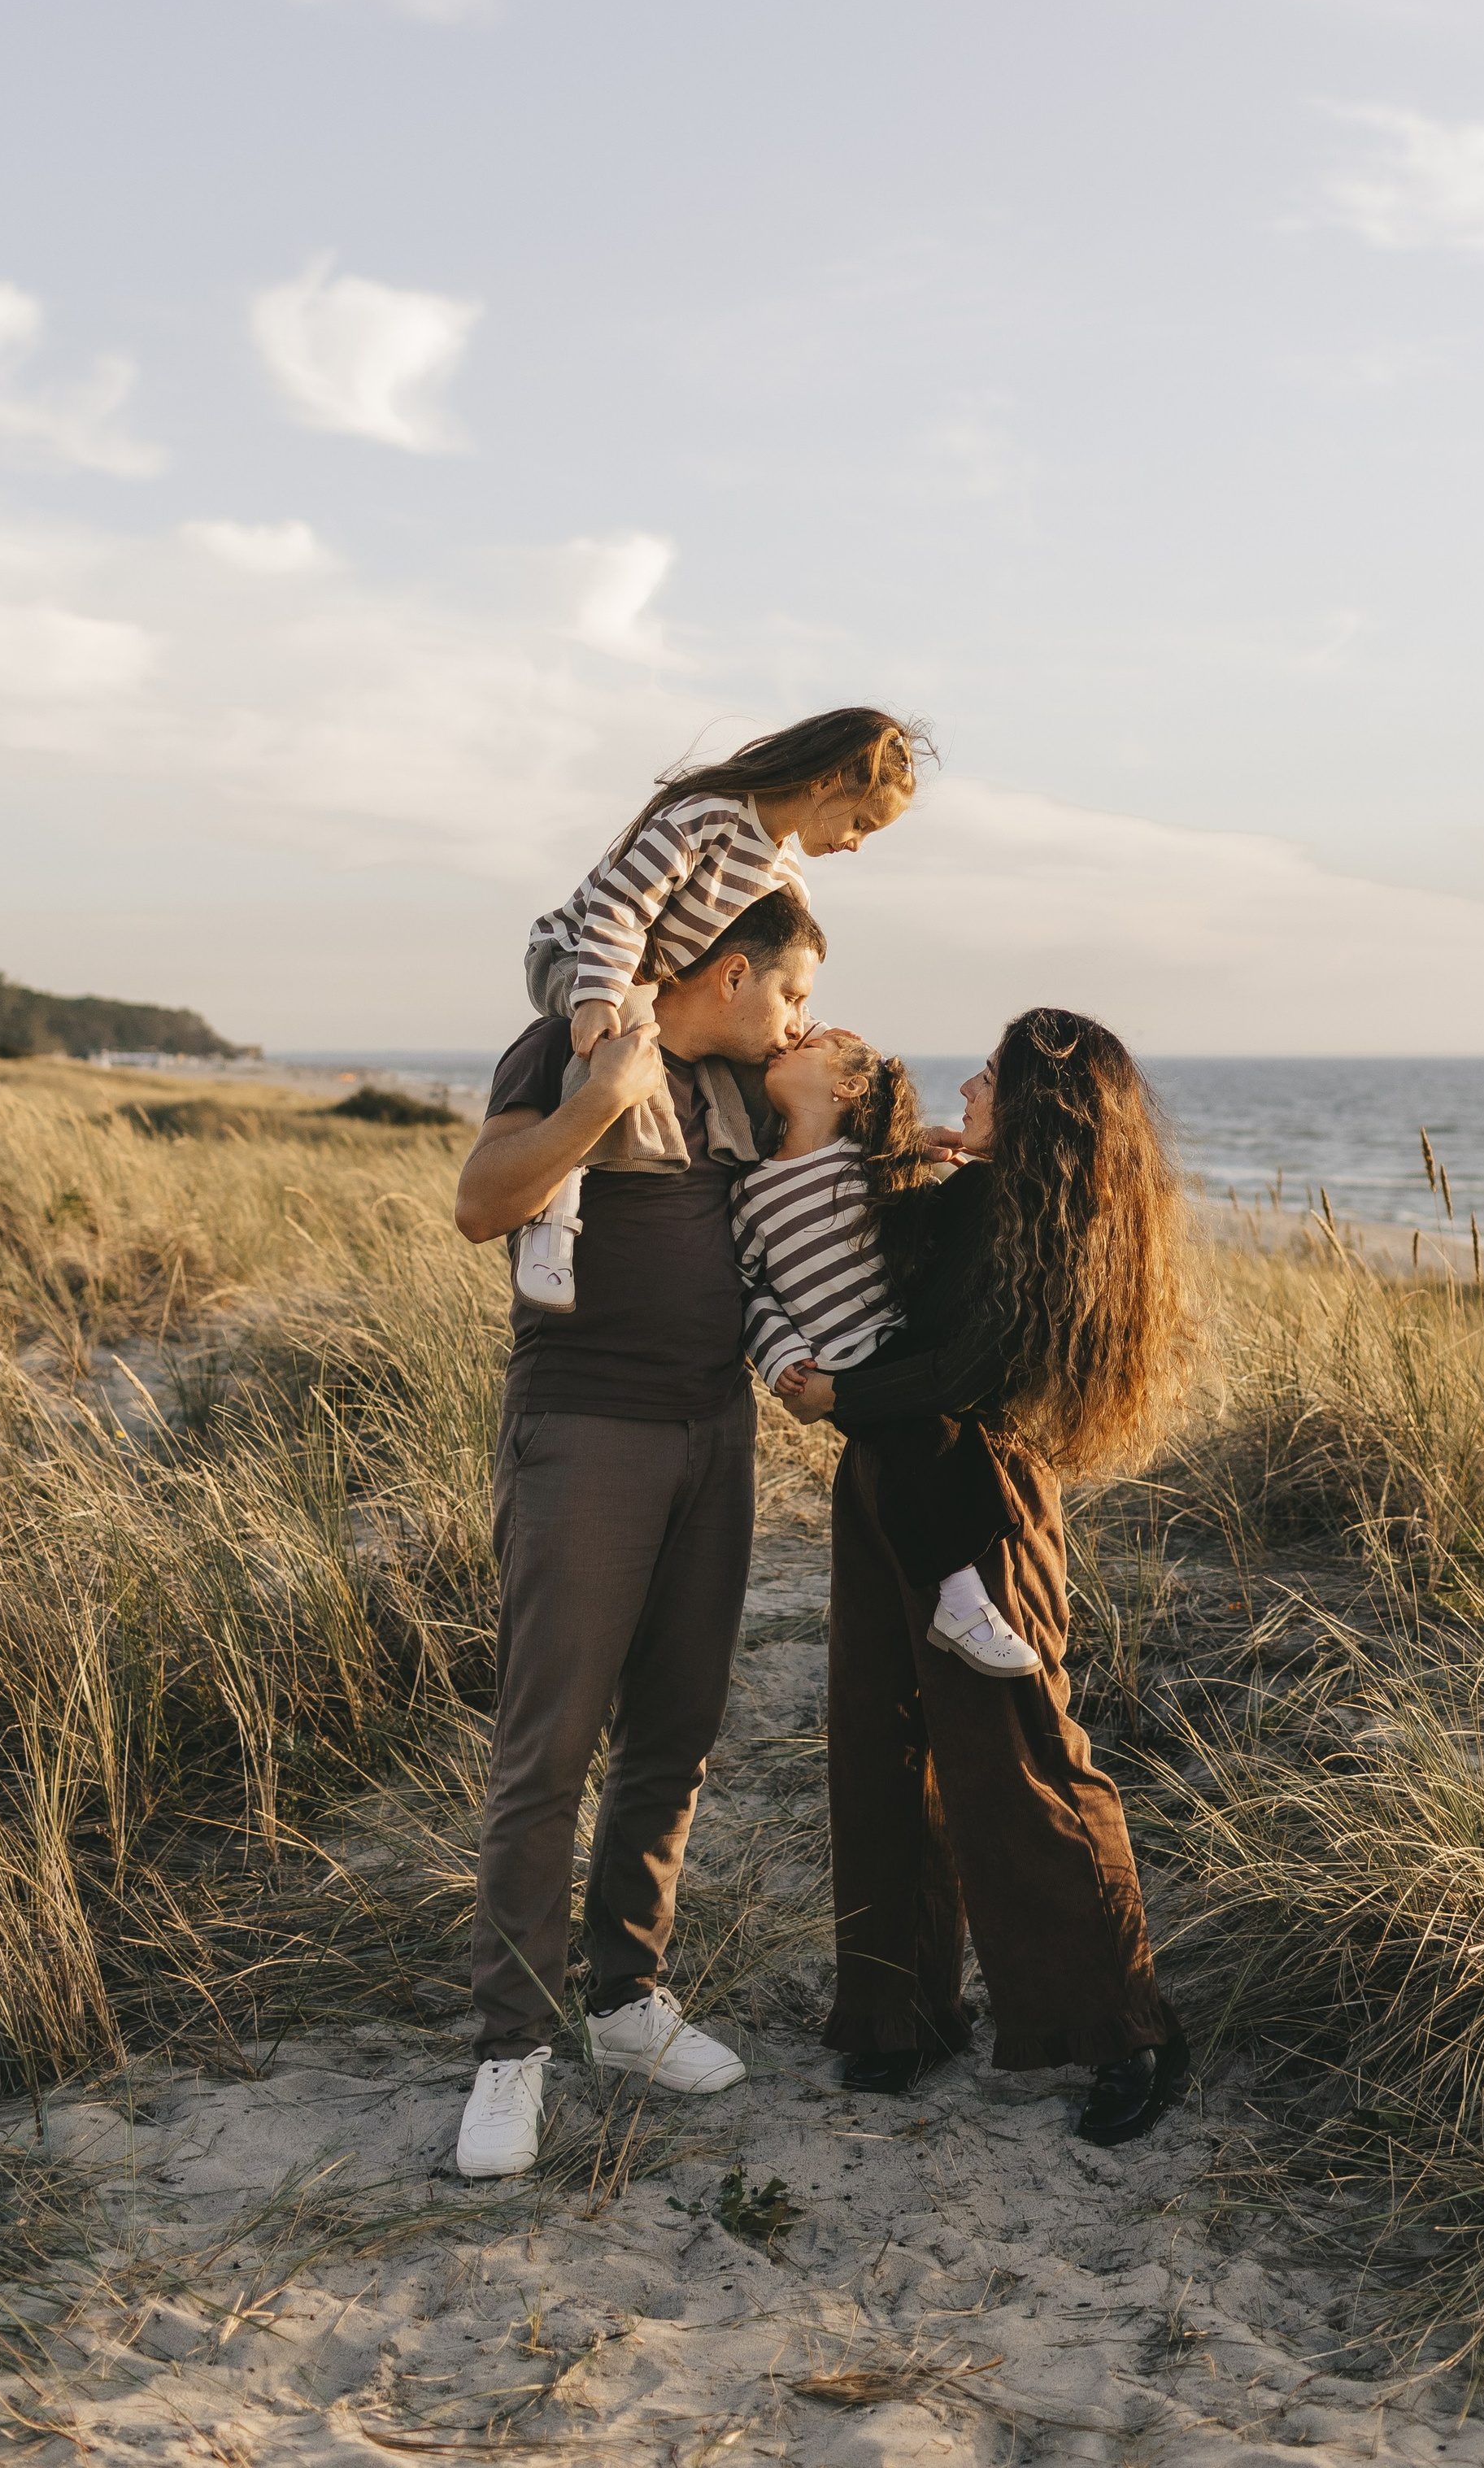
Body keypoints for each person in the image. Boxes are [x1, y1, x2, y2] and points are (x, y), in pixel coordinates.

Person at [450, 886, 825, 2179]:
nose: (798, 1022)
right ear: (726, 972)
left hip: (715, 1435)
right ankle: (513, 2051)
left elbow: (825, 1155)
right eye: (789, 992)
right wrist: (599, 1103)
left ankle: (623, 2000)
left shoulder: (740, 1084)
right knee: (547, 1749)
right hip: (586, 1431)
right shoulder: (568, 1045)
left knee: (675, 1731)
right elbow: (482, 1201)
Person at [780, 1008, 1197, 2148]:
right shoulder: (975, 1198)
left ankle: (1124, 2029)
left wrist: (844, 1400)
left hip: (977, 1502)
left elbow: (970, 1363)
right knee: (878, 1739)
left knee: (1019, 1756)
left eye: (992, 1076)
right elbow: (866, 1253)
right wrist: (903, 1155)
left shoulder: (1063, 1224)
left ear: (1041, 1109)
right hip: (884, 1485)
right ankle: (898, 2012)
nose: (968, 1083)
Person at [515, 710, 928, 1311]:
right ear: (826, 782)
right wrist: (599, 994)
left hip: (651, 979)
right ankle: (555, 1213)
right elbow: (623, 904)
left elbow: (776, 976)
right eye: (861, 822)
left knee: (744, 1064)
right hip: (580, 952)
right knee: (622, 1037)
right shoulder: (707, 815)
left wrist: (811, 1039)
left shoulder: (785, 878)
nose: (855, 843)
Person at [731, 1025, 1039, 1680]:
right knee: (914, 1439)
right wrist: (778, 1350)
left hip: (896, 1337)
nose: (787, 1044)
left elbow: (911, 1204)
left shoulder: (864, 1164)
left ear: (847, 1087)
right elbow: (744, 1287)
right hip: (836, 1359)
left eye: (807, 1047)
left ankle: (972, 1589)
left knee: (935, 1440)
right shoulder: (749, 1192)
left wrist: (918, 1149)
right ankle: (960, 1603)